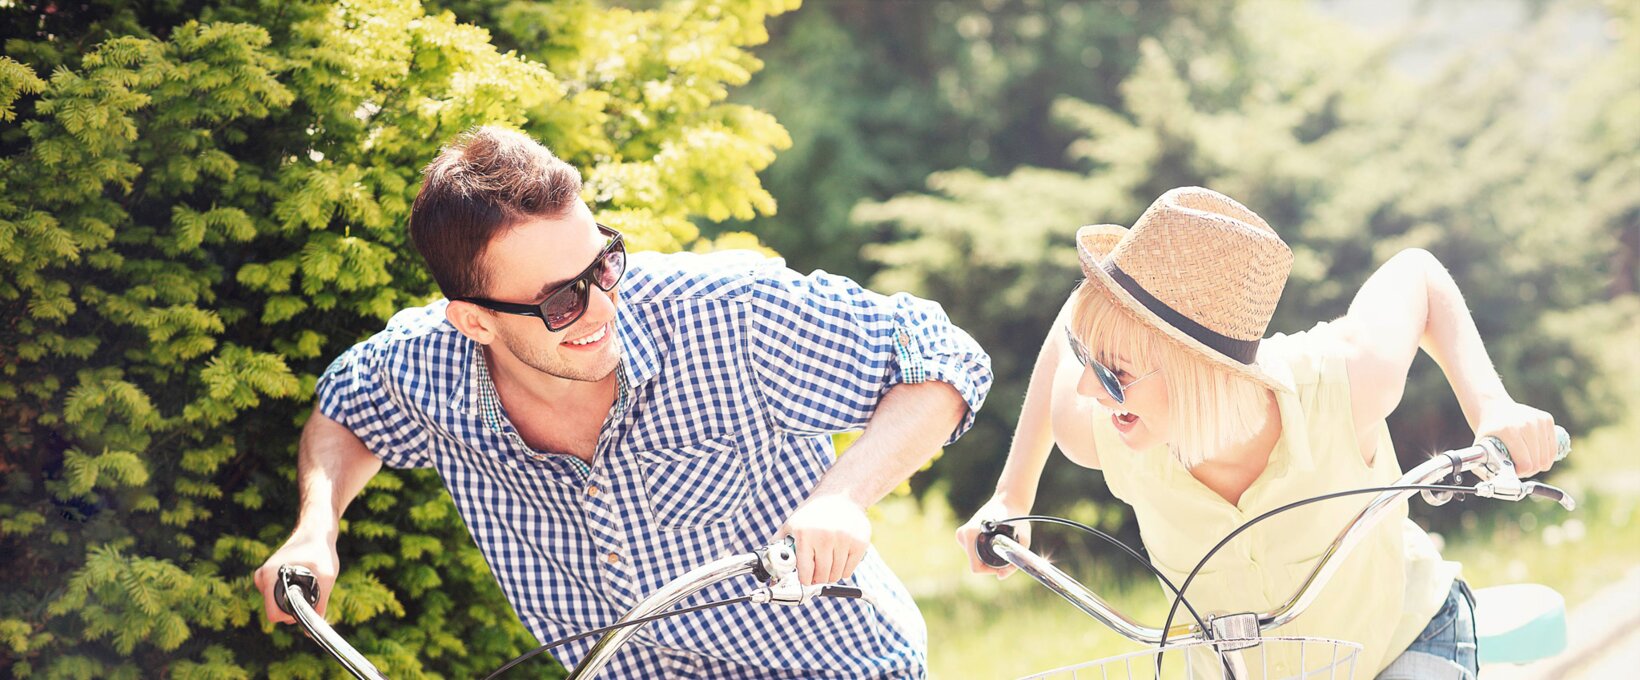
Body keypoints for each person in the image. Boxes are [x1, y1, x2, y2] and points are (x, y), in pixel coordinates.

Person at [253, 126, 992, 678]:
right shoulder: (424, 368)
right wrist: (315, 529)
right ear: (474, 321)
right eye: (560, 301)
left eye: (602, 264)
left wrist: (843, 497)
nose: (603, 305)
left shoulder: (731, 314)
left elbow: (942, 358)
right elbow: (345, 412)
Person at [955, 187, 1561, 679]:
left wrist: (1493, 408)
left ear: (1202, 373)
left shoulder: (1343, 382)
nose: (1089, 390)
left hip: (1400, 639)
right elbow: (1072, 318)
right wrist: (1013, 498)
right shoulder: (1103, 431)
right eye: (1090, 361)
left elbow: (1418, 273)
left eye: (1114, 375)